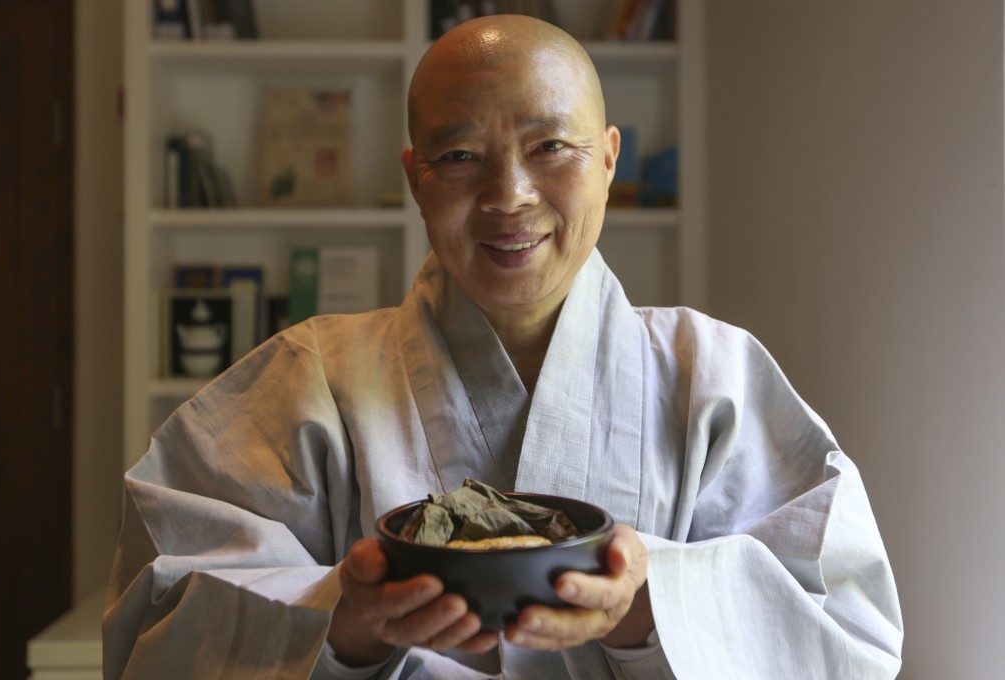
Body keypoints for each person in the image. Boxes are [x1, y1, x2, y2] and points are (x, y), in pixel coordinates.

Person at [103, 14, 903, 680]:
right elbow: (159, 610)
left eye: (551, 147)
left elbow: (848, 625)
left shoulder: (712, 375)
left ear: (608, 161)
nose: (508, 195)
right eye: (459, 157)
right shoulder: (309, 380)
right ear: (416, 178)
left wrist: (647, 605)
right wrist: (344, 623)